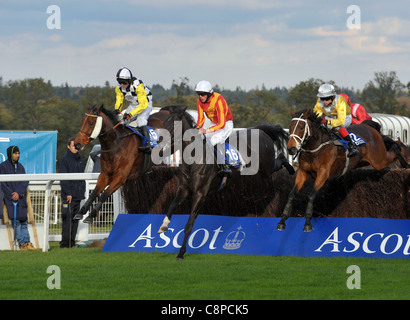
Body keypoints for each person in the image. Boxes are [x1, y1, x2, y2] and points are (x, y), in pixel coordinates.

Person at [0, 146, 36, 251]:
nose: (17, 155)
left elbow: (25, 181)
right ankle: (22, 243)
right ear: (10, 154)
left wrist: (18, 193)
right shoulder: (3, 166)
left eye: (18, 153)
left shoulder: (20, 167)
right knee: (16, 221)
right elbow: (2, 183)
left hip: (20, 198)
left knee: (23, 220)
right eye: (15, 153)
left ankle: (27, 242)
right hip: (10, 199)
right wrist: (12, 194)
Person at [195, 80, 234, 175]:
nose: (200, 96)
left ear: (209, 94)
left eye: (203, 94)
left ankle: (226, 164)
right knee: (202, 140)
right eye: (199, 94)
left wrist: (207, 130)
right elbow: (201, 118)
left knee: (214, 140)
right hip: (214, 124)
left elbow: (222, 124)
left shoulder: (219, 100)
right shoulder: (199, 102)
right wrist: (197, 129)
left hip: (226, 124)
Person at [114, 67, 153, 153]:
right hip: (134, 104)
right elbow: (119, 99)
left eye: (124, 82)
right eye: (120, 82)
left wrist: (130, 115)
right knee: (122, 122)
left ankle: (147, 144)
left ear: (129, 80)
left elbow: (143, 105)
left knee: (141, 120)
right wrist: (117, 109)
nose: (122, 85)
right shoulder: (119, 87)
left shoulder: (138, 85)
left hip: (145, 103)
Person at [313, 84, 358, 157]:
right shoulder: (319, 101)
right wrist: (318, 119)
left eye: (327, 99)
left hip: (345, 117)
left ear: (333, 96)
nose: (324, 101)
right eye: (322, 98)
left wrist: (328, 122)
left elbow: (341, 120)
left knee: (338, 126)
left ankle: (352, 146)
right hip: (330, 116)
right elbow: (316, 113)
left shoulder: (340, 100)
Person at [59, 138, 86, 248]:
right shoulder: (64, 159)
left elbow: (82, 176)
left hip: (77, 195)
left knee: (75, 219)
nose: (75, 147)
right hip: (68, 196)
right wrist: (68, 193)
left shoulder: (79, 159)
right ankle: (65, 243)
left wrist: (82, 190)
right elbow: (63, 178)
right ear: (68, 146)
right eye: (73, 145)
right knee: (67, 218)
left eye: (76, 145)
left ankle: (72, 242)